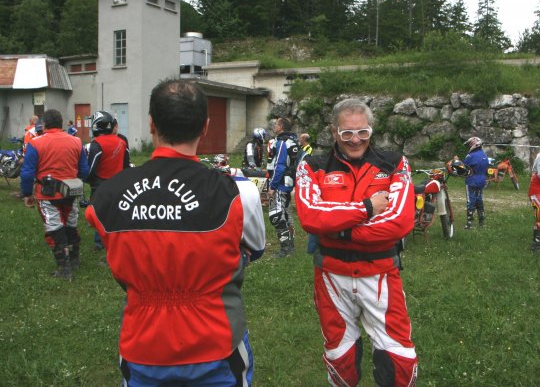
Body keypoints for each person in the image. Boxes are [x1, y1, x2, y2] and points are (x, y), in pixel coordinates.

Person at [85, 79, 265, 387]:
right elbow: (255, 249)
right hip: (216, 342)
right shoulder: (239, 193)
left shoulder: (107, 196)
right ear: (205, 126)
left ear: (151, 125)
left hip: (142, 344)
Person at [295, 98, 418, 387]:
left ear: (371, 130)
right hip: (331, 276)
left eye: (362, 132)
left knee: (399, 359)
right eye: (347, 133)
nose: (355, 140)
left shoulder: (395, 163)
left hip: (381, 273)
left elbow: (399, 222)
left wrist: (340, 230)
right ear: (334, 132)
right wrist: (367, 208)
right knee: (341, 358)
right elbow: (311, 216)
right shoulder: (312, 165)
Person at [20, 109, 89, 280]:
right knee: (71, 225)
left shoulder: (36, 143)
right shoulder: (76, 141)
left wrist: (27, 194)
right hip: (71, 191)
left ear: (44, 125)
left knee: (54, 228)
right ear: (61, 124)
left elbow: (27, 173)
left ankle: (64, 269)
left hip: (47, 194)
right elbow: (85, 171)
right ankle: (74, 260)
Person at [86, 111, 130, 251]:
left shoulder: (97, 144)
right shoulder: (122, 142)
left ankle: (100, 242)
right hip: (118, 182)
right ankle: (117, 239)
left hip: (101, 184)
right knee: (115, 212)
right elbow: (126, 165)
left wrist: (88, 180)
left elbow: (91, 168)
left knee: (99, 213)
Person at [268, 117, 299, 257]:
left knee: (276, 214)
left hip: (280, 183)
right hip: (289, 182)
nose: (274, 126)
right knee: (286, 213)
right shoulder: (293, 141)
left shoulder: (282, 142)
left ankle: (285, 249)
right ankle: (290, 247)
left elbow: (279, 165)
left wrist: (272, 186)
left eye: (276, 124)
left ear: (281, 127)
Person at [456, 136, 489, 229]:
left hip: (472, 180)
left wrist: (457, 161)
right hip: (482, 180)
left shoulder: (470, 156)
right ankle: (482, 222)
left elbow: (463, 168)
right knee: (479, 199)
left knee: (471, 200)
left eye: (469, 145)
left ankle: (469, 223)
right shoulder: (484, 155)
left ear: (473, 145)